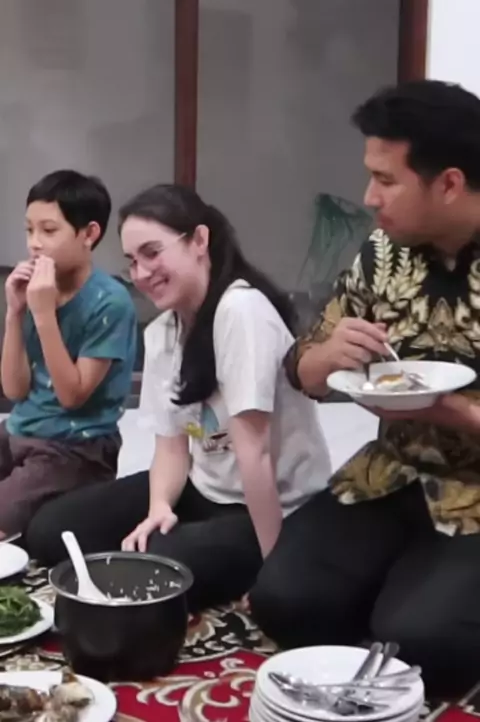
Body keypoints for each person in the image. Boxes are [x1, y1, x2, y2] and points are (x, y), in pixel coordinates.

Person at [245, 80, 480, 698]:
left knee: (427, 645)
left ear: (449, 183)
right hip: (390, 472)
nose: (369, 197)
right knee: (283, 601)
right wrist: (326, 357)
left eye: (386, 180)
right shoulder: (384, 251)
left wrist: (456, 413)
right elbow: (302, 369)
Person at [26, 184, 331, 609]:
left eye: (153, 253)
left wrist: (273, 568)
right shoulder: (163, 332)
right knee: (50, 530)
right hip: (202, 489)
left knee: (150, 573)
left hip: (272, 505)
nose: (141, 273)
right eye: (133, 261)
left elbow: (255, 455)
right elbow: (171, 448)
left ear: (199, 241)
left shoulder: (241, 312)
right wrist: (158, 509)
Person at [0, 170, 137, 538]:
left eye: (49, 230)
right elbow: (14, 391)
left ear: (88, 234)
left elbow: (72, 396)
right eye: (29, 230)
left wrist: (43, 314)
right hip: (20, 429)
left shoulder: (110, 302)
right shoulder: (36, 290)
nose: (35, 244)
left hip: (77, 448)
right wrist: (14, 313)